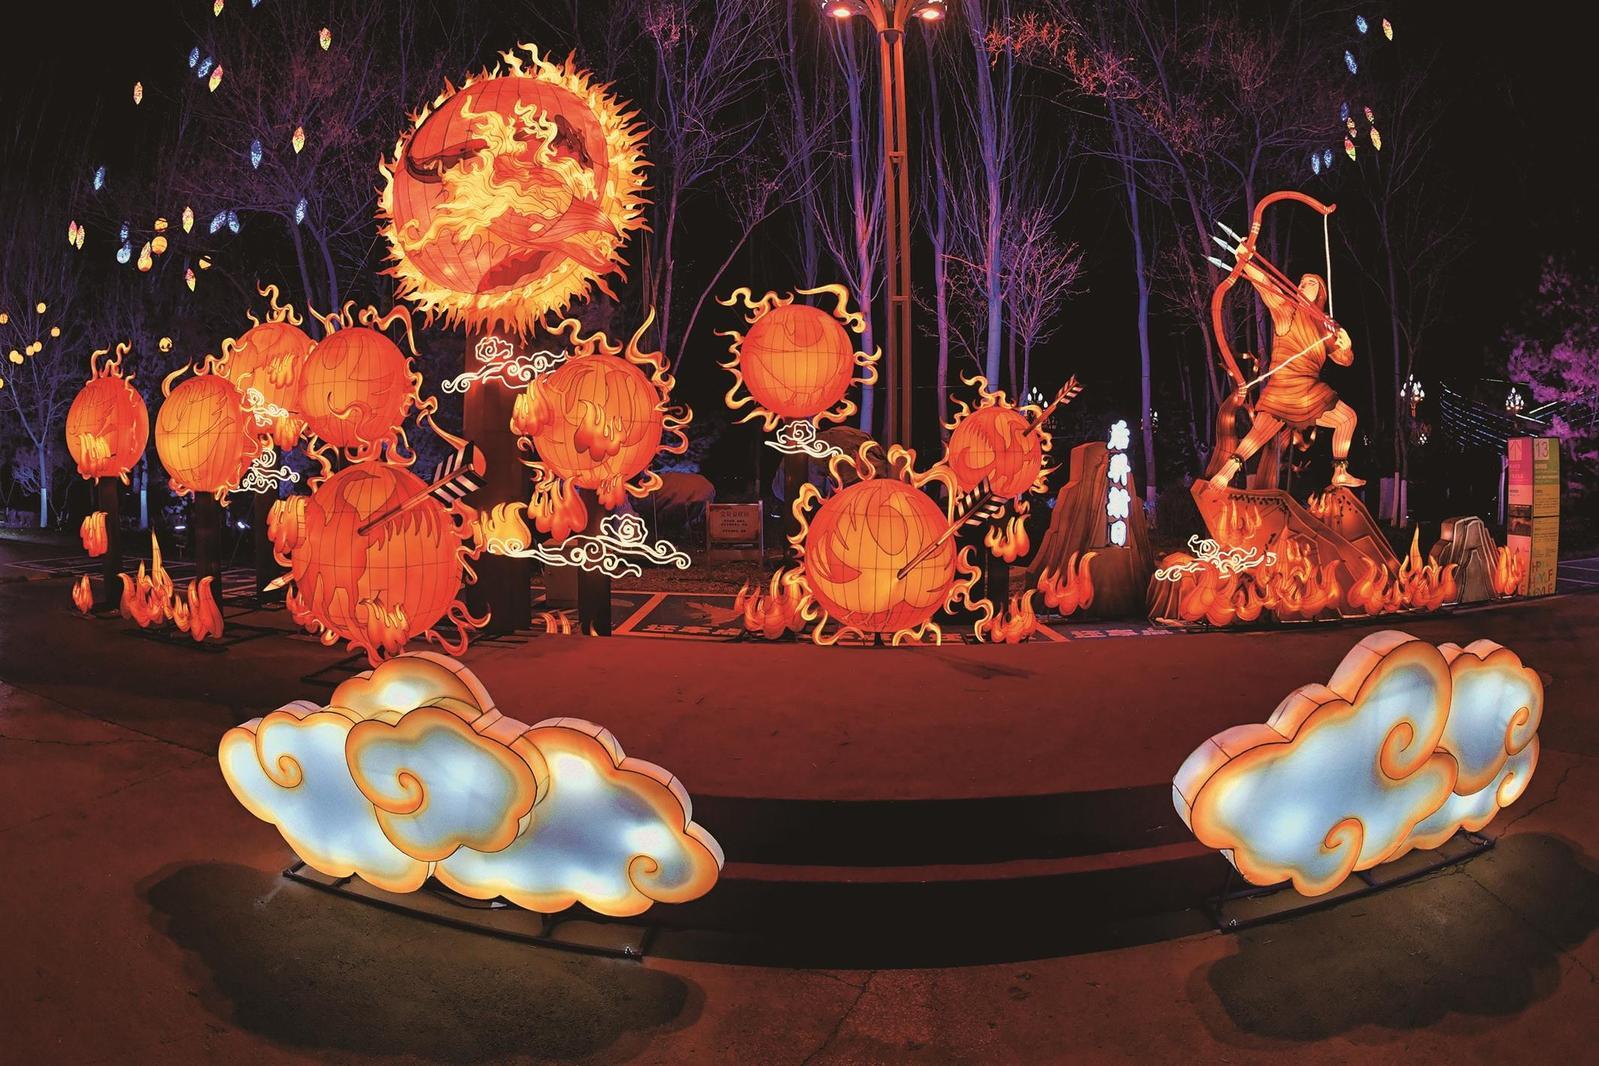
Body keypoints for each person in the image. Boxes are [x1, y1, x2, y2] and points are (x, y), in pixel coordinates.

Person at [1209, 256, 1365, 490]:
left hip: (1310, 390)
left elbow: (1344, 360)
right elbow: (1267, 287)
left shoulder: (1325, 325)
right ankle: (1224, 474)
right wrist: (1247, 261)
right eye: (1301, 282)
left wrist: (1347, 348)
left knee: (1347, 418)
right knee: (1257, 436)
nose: (1302, 285)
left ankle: (1340, 472)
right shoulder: (1288, 311)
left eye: (1310, 283)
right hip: (1284, 387)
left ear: (1321, 293)